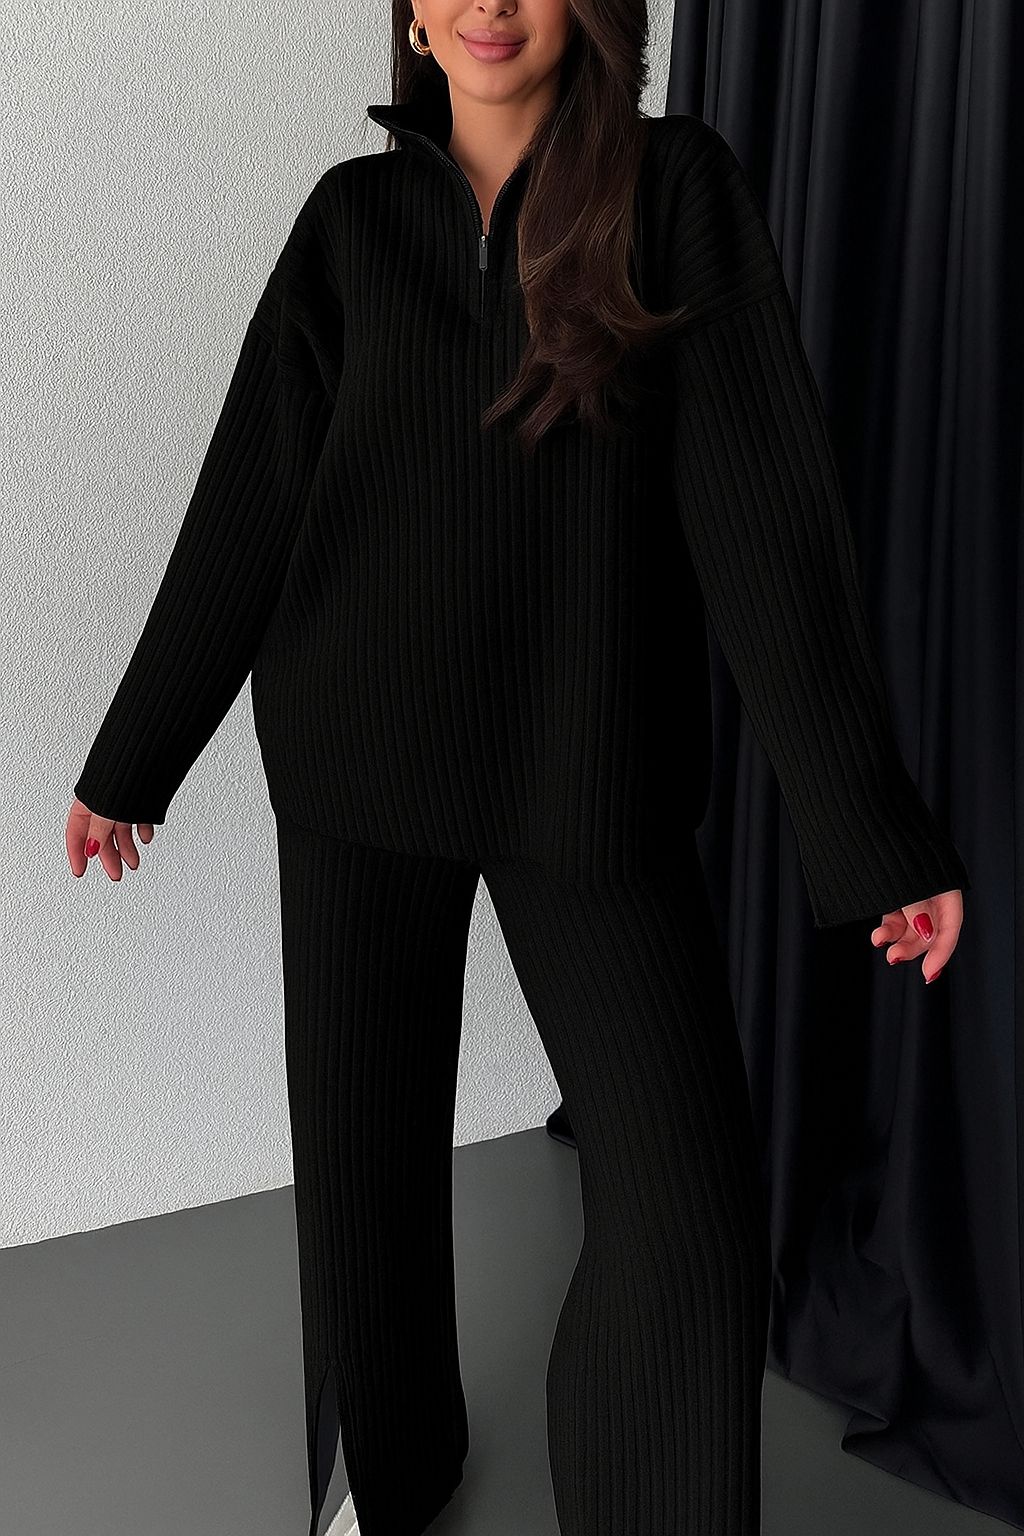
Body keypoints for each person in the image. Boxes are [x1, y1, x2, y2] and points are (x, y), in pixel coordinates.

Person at [67, 3, 970, 1534]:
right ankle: (388, 1472)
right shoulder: (354, 221)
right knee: (362, 1165)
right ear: (415, 16)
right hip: (357, 763)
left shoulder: (675, 194)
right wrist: (134, 757)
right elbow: (251, 496)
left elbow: (765, 518)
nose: (490, 2)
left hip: (587, 772)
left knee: (685, 1199)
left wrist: (870, 831)